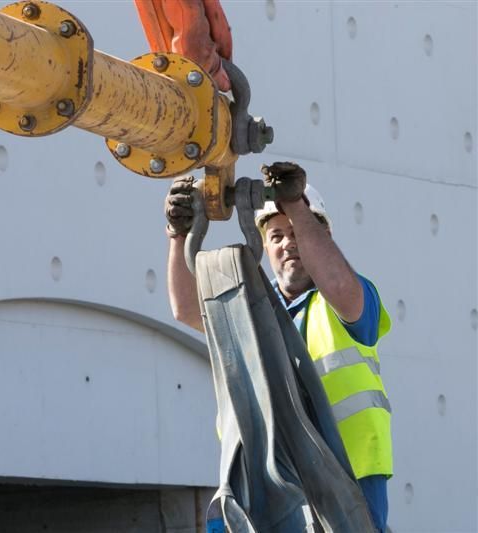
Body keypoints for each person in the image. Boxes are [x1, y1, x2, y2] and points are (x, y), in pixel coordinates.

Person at [164, 162, 393, 532]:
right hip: (262, 482)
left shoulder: (344, 300)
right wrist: (179, 235)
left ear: (323, 235)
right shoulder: (251, 308)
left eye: (297, 232)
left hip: (345, 485)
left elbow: (337, 283)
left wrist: (296, 206)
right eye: (275, 236)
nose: (288, 243)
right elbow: (188, 309)